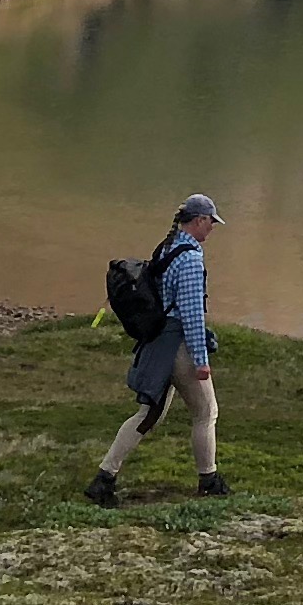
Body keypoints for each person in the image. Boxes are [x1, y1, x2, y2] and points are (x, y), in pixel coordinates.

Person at [87, 195, 226, 505]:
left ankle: (104, 478)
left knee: (150, 413)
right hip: (177, 346)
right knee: (206, 412)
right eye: (211, 222)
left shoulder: (168, 246)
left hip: (158, 343)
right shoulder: (190, 257)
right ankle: (209, 480)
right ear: (199, 220)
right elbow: (191, 314)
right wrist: (201, 361)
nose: (213, 229)